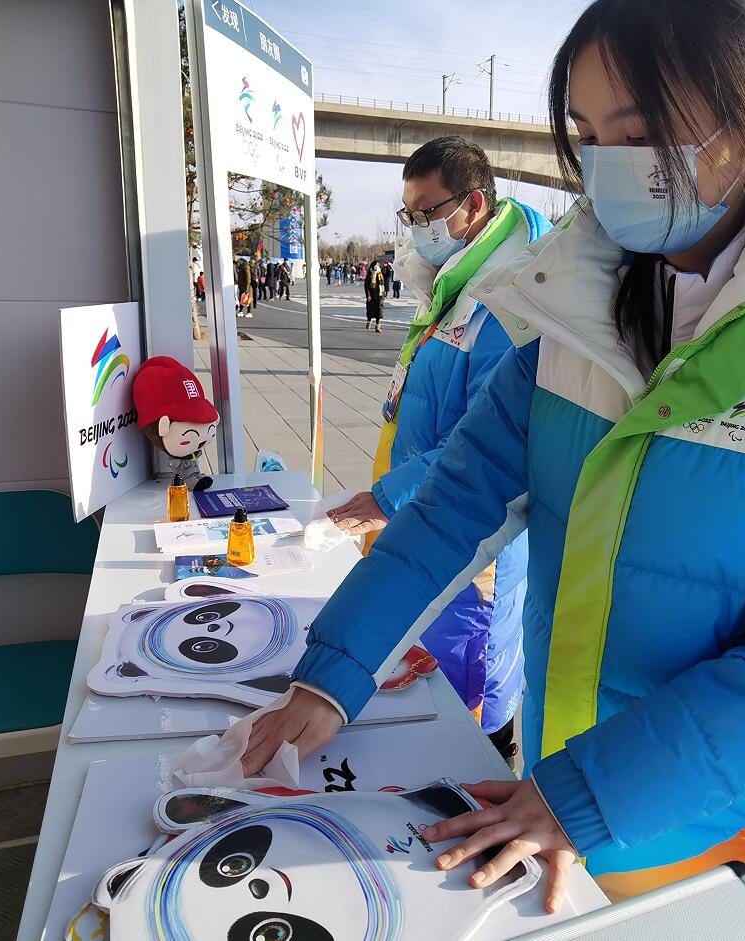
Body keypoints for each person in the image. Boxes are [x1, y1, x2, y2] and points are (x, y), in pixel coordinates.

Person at [242, 0, 745, 915]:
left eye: (640, 131)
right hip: (551, 801)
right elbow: (454, 507)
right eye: (587, 135)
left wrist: (585, 797)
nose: (607, 164)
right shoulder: (572, 311)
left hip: (717, 835)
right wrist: (334, 670)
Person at [328, 135, 553, 763]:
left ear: (473, 205)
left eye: (425, 212)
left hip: (470, 539)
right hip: (425, 513)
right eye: (408, 214)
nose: (416, 229)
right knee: (425, 669)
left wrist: (388, 497)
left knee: (468, 687)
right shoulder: (460, 281)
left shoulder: (509, 301)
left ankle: (483, 767)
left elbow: (489, 440)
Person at [364, 258, 386, 331]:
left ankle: (377, 326)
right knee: (370, 310)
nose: (377, 267)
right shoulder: (370, 275)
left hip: (379, 295)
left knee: (379, 310)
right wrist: (368, 295)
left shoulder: (380, 275)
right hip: (372, 295)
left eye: (378, 265)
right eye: (376, 265)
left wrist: (384, 293)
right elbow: (366, 286)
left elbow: (383, 285)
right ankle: (369, 321)